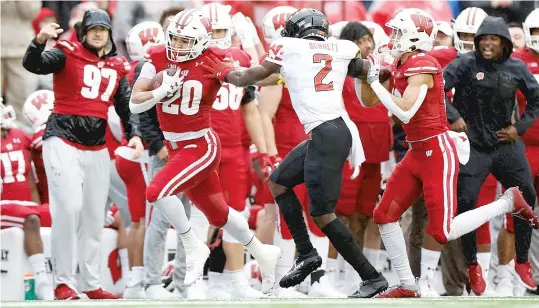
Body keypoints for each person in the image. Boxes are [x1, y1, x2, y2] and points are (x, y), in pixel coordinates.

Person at [201, 8, 390, 298]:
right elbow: (372, 72)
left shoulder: (289, 47)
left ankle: (371, 277)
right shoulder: (340, 47)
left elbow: (250, 76)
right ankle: (307, 253)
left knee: (323, 214)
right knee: (278, 181)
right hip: (335, 130)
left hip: (327, 132)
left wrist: (221, 72)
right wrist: (388, 67)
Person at [359, 8, 538, 298]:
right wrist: (365, 77)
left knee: (441, 228)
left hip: (436, 152)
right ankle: (407, 283)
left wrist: (375, 83)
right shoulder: (402, 62)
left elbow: (403, 110)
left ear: (414, 37)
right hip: (416, 151)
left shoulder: (425, 63)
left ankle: (506, 205)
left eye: (397, 32)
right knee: (383, 214)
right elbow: (369, 102)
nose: (392, 38)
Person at [129, 9, 281, 295]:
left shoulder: (212, 56)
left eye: (186, 41)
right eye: (175, 38)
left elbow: (240, 79)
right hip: (176, 147)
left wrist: (254, 71)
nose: (178, 46)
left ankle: (191, 244)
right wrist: (160, 93)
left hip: (201, 145)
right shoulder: (158, 54)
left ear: (200, 40)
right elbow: (136, 103)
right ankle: (262, 252)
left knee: (156, 192)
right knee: (219, 214)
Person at [22, 9, 143, 300]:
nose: (98, 33)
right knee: (69, 207)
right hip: (62, 138)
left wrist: (135, 134)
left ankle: (90, 282)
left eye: (103, 28)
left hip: (96, 146)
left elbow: (125, 105)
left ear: (109, 33)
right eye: (93, 29)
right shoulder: (66, 53)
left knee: (93, 217)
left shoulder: (116, 65)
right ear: (83, 32)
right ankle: (63, 281)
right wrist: (38, 41)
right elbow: (33, 64)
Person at [444, 15, 539, 293]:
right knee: (466, 201)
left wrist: (519, 128)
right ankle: (472, 264)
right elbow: (437, 88)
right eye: (482, 38)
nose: (486, 44)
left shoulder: (516, 67)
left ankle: (522, 261)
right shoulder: (464, 63)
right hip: (473, 144)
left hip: (504, 143)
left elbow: (535, 100)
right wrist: (453, 116)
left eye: (493, 39)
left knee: (527, 196)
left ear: (505, 43)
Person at [201, 2, 274, 300]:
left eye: (222, 31)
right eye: (213, 31)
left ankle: (235, 280)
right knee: (202, 217)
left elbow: (250, 110)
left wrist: (263, 151)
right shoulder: (194, 61)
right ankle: (192, 278)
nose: (218, 37)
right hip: (203, 147)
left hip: (232, 148)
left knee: (235, 216)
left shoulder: (240, 58)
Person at [495, 9, 539, 295]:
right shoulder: (515, 62)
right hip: (523, 147)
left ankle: (532, 276)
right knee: (515, 216)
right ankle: (505, 278)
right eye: (536, 31)